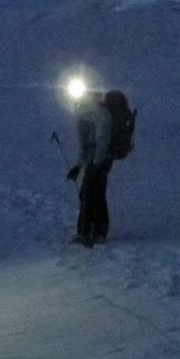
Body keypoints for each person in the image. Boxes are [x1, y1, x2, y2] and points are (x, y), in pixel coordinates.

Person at [66, 89, 115, 246]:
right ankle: (94, 231)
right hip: (96, 159)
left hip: (103, 158)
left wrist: (96, 163)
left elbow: (103, 140)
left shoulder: (101, 115)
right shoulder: (84, 117)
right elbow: (85, 146)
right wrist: (78, 167)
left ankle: (90, 232)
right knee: (92, 193)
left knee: (90, 192)